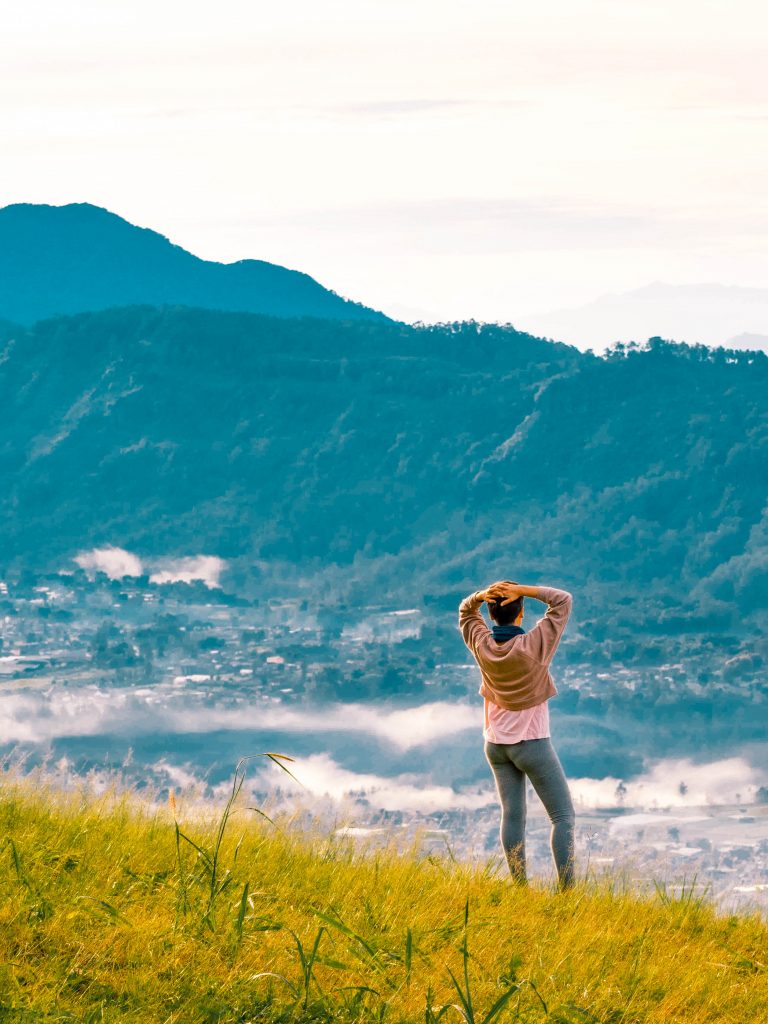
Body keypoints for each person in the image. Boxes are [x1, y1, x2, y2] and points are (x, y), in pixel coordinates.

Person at [458, 580, 576, 890]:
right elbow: (562, 600)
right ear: (521, 614)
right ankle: (567, 895)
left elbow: (465, 611)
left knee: (512, 816)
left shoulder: (482, 644)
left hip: (496, 745)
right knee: (563, 817)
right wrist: (524, 589)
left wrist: (483, 596)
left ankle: (520, 888)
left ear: (492, 615)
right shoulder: (533, 646)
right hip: (532, 744)